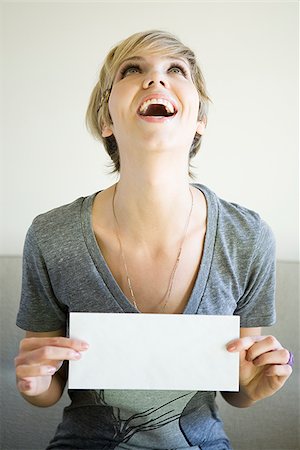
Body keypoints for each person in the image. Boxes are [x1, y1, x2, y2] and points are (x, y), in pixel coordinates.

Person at [15, 30, 293, 450]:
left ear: (200, 119)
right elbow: (47, 388)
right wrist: (34, 384)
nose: (156, 80)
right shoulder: (51, 235)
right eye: (133, 70)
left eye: (175, 70)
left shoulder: (248, 238)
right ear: (106, 119)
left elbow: (238, 389)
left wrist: (257, 386)